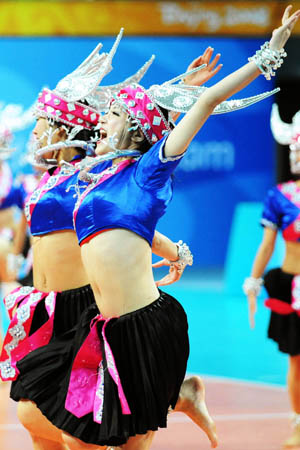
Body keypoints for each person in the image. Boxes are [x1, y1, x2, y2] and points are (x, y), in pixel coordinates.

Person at [50, 6, 298, 450]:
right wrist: (172, 251)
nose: (102, 121)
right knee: (82, 435)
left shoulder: (149, 171)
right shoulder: (94, 174)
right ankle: (182, 393)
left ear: (132, 127)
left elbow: (203, 106)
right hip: (101, 324)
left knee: (131, 444)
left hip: (142, 325)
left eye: (112, 116)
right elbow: (126, 231)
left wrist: (268, 54)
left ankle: (180, 393)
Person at [0, 33, 223, 450]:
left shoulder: (87, 177)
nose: (34, 134)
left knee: (67, 420)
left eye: (42, 125)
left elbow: (125, 220)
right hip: (44, 306)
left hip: (79, 308)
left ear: (66, 129)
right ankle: (176, 395)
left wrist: (175, 251)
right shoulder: (49, 179)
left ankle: (171, 396)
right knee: (37, 414)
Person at [244, 102, 300, 448]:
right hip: (292, 287)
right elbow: (267, 245)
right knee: (297, 360)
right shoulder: (280, 197)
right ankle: (299, 421)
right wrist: (253, 278)